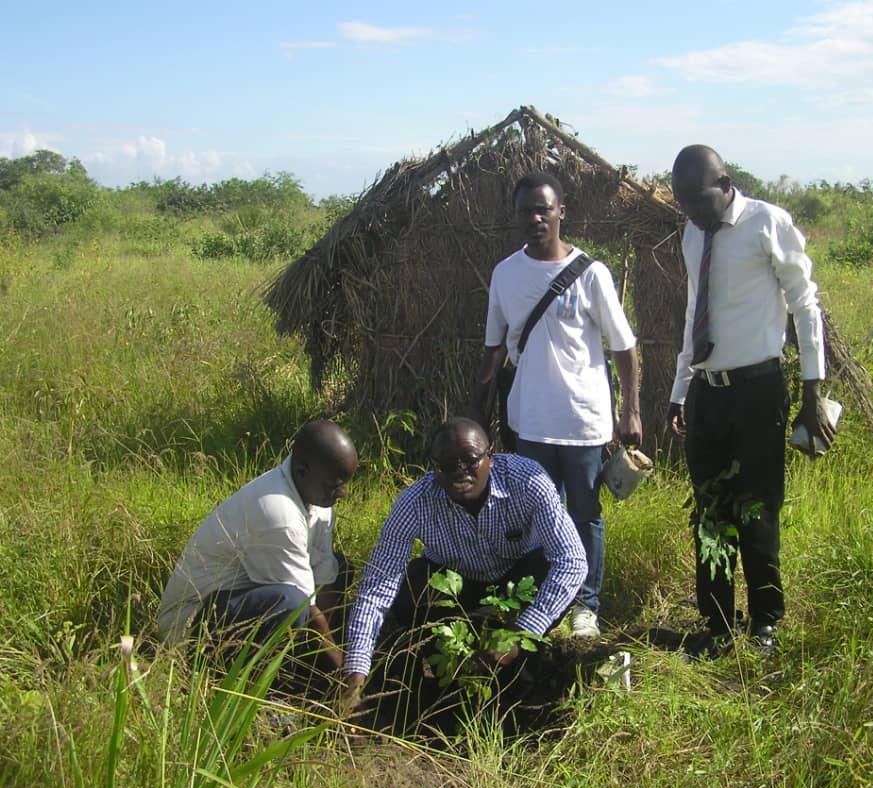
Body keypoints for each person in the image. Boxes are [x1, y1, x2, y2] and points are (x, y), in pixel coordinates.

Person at [666, 145, 835, 658]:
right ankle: (717, 626)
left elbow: (805, 306)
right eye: (684, 204)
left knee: (757, 511)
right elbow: (696, 311)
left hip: (759, 392)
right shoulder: (694, 233)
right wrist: (679, 392)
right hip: (707, 394)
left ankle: (765, 623)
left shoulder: (768, 223)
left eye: (699, 200)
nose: (693, 213)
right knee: (711, 513)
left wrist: (812, 392)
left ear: (726, 182)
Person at [470, 172, 642, 639]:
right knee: (535, 515)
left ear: (562, 211)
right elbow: (493, 351)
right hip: (530, 421)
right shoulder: (505, 274)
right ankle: (544, 599)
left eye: (544, 209)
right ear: (517, 216)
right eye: (526, 210)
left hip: (584, 421)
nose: (536, 218)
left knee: (584, 514)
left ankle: (586, 605)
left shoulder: (591, 274)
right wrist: (477, 418)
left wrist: (631, 410)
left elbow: (624, 347)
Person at [340, 417, 587, 710]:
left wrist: (521, 632)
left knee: (546, 568)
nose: (459, 472)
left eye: (470, 461)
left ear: (490, 457)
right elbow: (376, 588)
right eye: (446, 465)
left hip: (517, 586)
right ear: (434, 466)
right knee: (414, 585)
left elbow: (571, 561)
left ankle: (524, 675)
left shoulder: (527, 481)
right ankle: (436, 681)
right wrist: (354, 676)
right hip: (457, 590)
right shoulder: (415, 502)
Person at [156, 420, 359, 677]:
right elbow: (305, 607)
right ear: (302, 471)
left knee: (340, 568)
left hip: (244, 597)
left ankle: (301, 666)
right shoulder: (277, 515)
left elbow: (324, 576)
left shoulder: (318, 498)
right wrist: (344, 675)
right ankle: (254, 680)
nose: (343, 494)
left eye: (345, 483)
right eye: (334, 486)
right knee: (292, 605)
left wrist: (322, 652)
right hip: (191, 627)